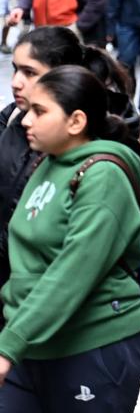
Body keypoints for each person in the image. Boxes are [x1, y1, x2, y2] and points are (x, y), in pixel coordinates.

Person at [0, 65, 140, 409]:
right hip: (29, 344)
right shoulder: (47, 163)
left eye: (39, 111)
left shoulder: (102, 176)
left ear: (76, 121)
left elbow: (72, 272)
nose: (25, 120)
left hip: (91, 346)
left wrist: (9, 344)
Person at [0, 27, 84, 291]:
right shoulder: (12, 117)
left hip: (37, 294)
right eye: (15, 69)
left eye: (30, 72)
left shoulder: (86, 145)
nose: (15, 82)